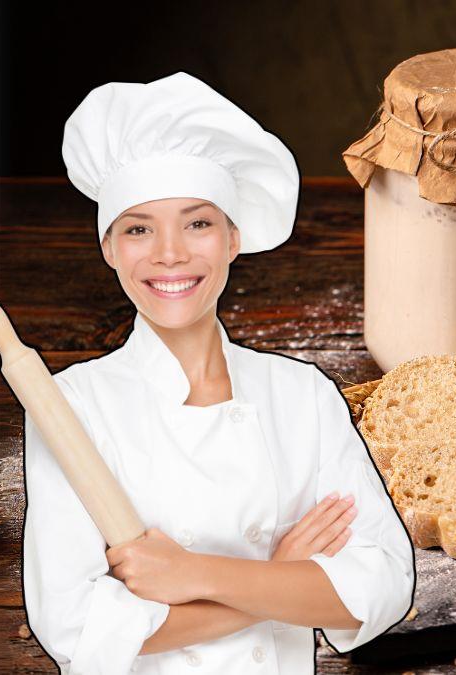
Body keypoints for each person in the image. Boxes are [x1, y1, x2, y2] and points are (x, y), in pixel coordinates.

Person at [21, 72, 415, 674]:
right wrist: (280, 579)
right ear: (108, 247)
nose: (170, 252)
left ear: (234, 238)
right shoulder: (70, 404)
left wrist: (193, 575)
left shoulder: (301, 394)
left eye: (198, 222)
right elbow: (75, 627)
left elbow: (382, 587)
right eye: (138, 228)